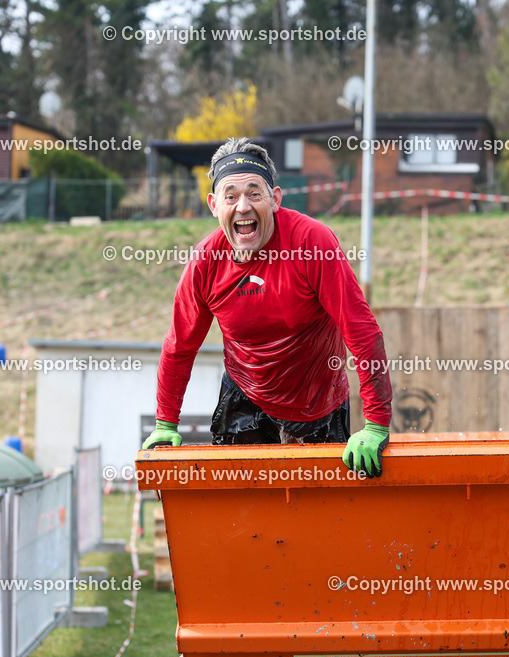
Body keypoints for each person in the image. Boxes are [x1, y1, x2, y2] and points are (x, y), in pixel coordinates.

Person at [141, 137, 392, 477]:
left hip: (317, 401)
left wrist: (376, 423)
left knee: (321, 519)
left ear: (274, 199)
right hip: (245, 396)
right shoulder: (206, 262)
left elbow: (361, 330)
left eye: (254, 193)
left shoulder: (312, 244)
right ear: (215, 205)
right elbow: (179, 347)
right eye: (231, 196)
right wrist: (165, 422)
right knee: (242, 519)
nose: (243, 206)